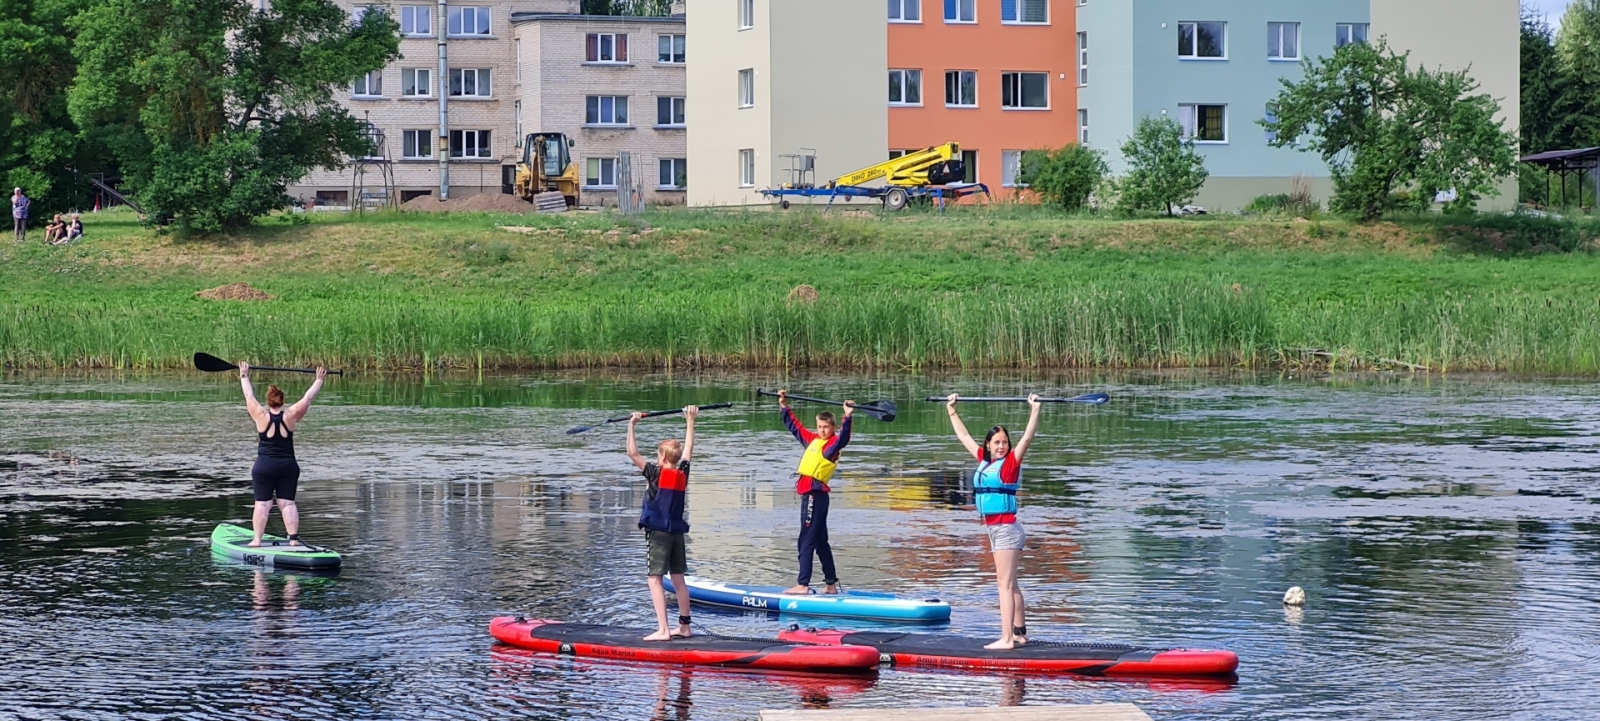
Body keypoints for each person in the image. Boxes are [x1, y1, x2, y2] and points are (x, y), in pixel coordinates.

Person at [945, 392, 1042, 650]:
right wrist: (952, 410)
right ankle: (1019, 633)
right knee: (1012, 583)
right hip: (998, 530)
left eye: (1005, 442)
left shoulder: (1010, 464)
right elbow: (964, 436)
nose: (1002, 446)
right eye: (997, 442)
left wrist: (1034, 410)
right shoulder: (985, 462)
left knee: (1004, 585)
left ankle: (1007, 638)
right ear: (988, 445)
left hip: (1006, 529)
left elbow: (1028, 438)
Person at [625, 405, 698, 641]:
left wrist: (632, 425)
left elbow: (632, 453)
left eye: (658, 455)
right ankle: (685, 627)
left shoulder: (655, 473)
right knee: (678, 578)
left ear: (663, 457)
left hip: (658, 533)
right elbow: (689, 449)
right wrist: (690, 420)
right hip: (676, 532)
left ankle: (663, 630)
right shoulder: (683, 472)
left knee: (654, 579)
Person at [239, 361, 327, 547]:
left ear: (268, 401)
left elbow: (248, 395)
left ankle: (257, 540)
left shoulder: (260, 416)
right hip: (288, 466)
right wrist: (319, 379)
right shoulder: (291, 415)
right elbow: (308, 398)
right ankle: (293, 540)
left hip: (264, 466)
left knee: (262, 504)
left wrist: (244, 375)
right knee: (287, 503)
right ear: (282, 401)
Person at [777, 389, 855, 595]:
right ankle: (830, 585)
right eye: (819, 427)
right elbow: (795, 427)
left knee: (806, 539)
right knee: (820, 541)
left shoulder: (831, 446)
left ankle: (802, 584)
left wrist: (847, 416)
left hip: (815, 495)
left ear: (833, 428)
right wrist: (784, 405)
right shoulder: (812, 440)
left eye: (826, 427)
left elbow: (844, 438)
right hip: (813, 496)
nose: (822, 431)